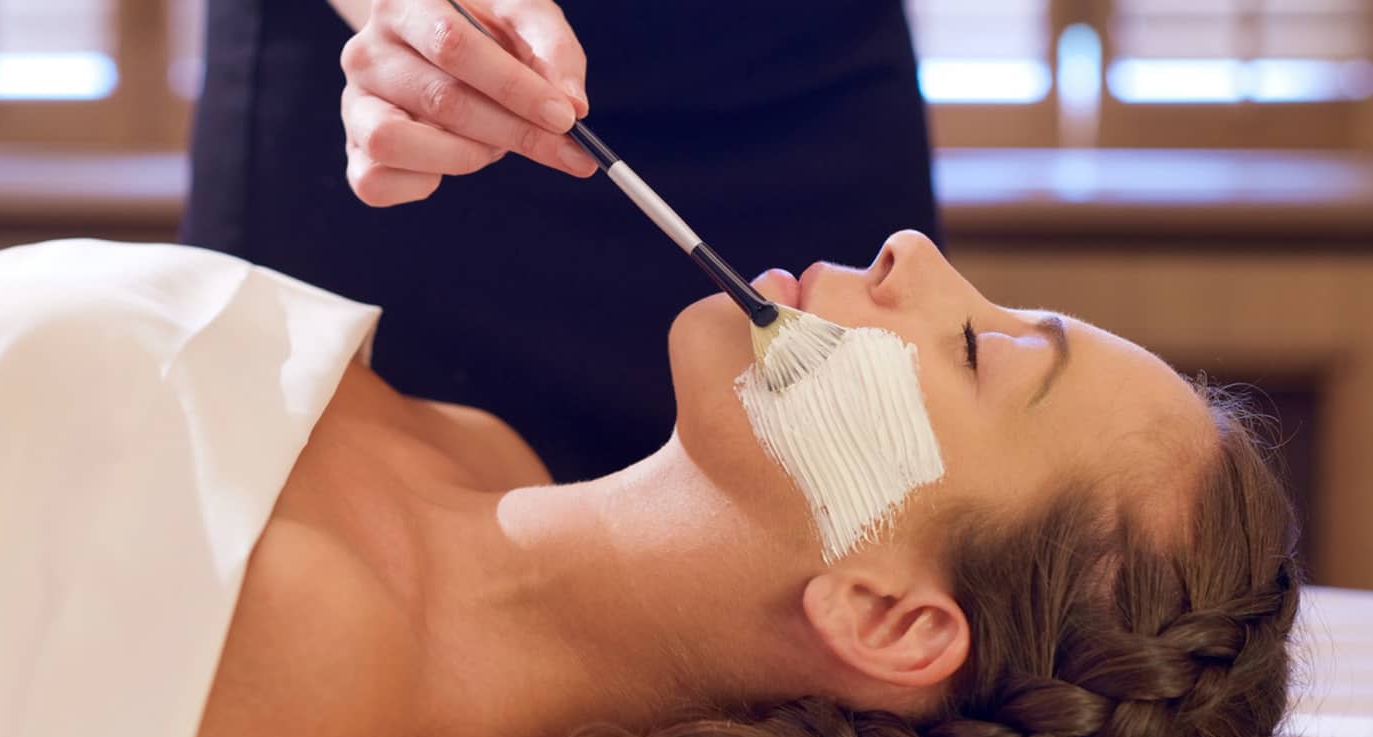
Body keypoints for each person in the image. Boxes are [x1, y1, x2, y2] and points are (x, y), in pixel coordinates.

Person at [0, 231, 1300, 737]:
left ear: (887, 616)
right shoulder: (477, 455)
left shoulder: (293, 653)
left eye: (978, 350)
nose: (912, 253)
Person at [183, 0, 941, 483]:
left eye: (983, 343)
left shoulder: (852, 286)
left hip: (802, 80)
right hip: (420, 78)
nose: (915, 260)